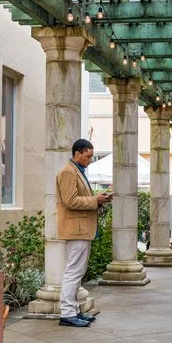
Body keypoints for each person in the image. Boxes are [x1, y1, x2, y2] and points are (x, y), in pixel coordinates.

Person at [56, 139, 112, 327]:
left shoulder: (77, 171)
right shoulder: (67, 172)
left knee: (78, 271)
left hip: (82, 229)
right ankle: (67, 313)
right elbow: (70, 201)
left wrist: (99, 199)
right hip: (76, 229)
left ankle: (74, 310)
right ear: (77, 153)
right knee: (73, 272)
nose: (90, 160)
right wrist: (95, 200)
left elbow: (80, 198)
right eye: (88, 156)